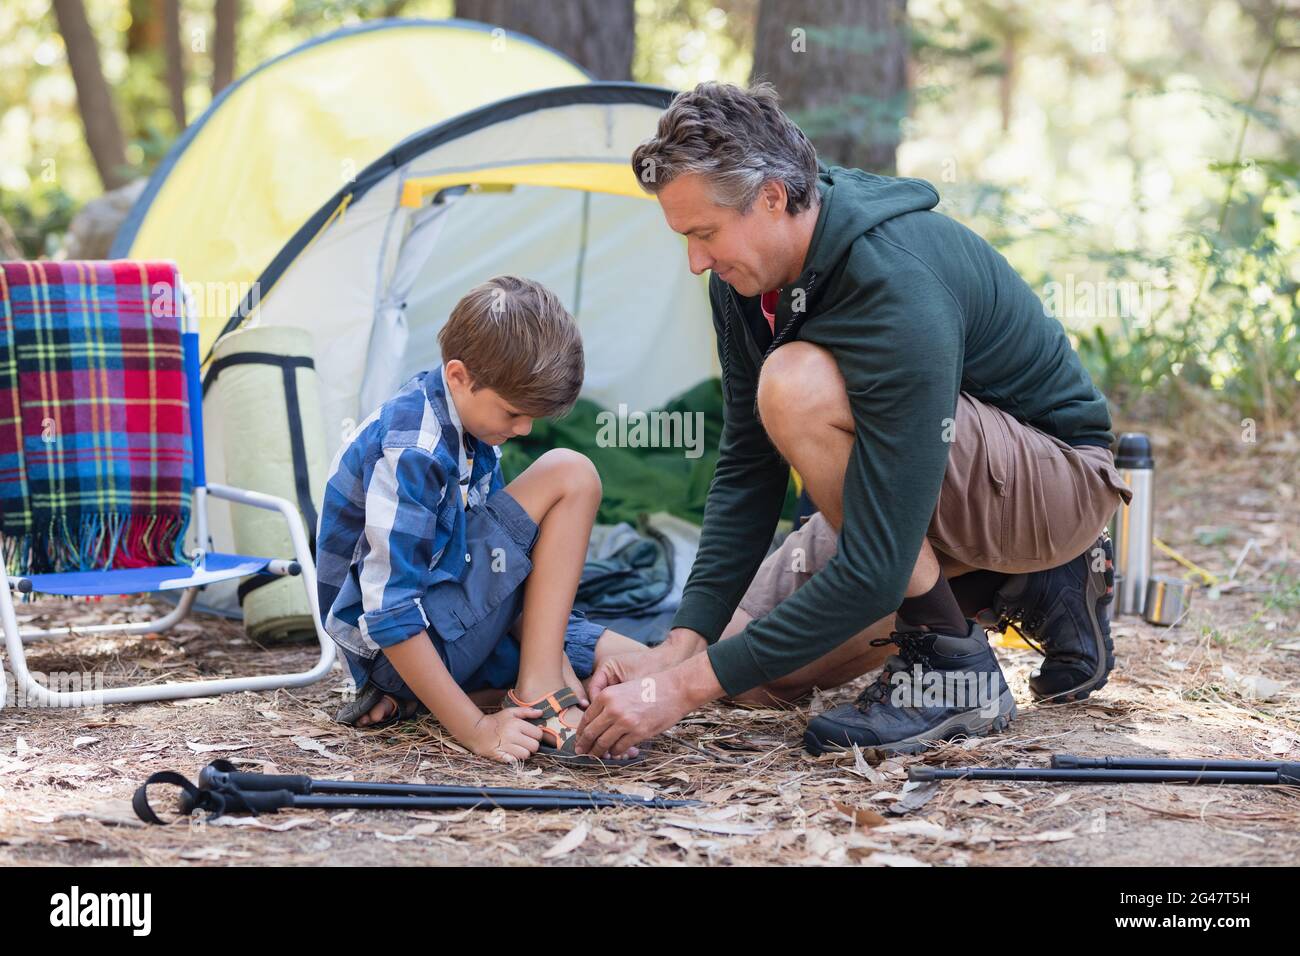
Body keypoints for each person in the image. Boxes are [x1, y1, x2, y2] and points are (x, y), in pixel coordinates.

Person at [576, 82, 1133, 758]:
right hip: (929, 489)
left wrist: (677, 693)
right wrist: (681, 647)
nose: (697, 260)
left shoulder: (892, 278)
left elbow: (877, 565)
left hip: (1056, 484)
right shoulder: (743, 281)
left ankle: (952, 665)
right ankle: (1020, 585)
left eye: (705, 233)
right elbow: (748, 467)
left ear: (773, 198)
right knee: (750, 673)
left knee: (793, 385)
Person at [316, 275, 643, 765]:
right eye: (514, 413)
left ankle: (530, 684)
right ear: (459, 376)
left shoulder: (474, 430)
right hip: (402, 651)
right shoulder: (414, 451)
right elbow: (391, 613)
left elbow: (500, 567)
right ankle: (529, 693)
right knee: (572, 474)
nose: (524, 429)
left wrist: (566, 672)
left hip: (462, 622)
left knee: (645, 667)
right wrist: (477, 731)